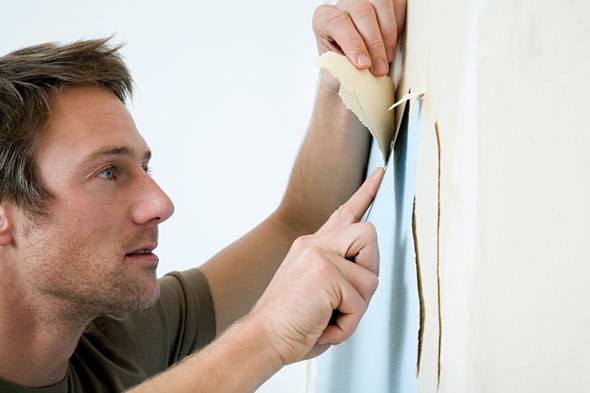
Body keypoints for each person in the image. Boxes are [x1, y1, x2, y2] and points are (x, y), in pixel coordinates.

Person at [0, 0, 406, 391]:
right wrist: (266, 336)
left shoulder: (109, 343)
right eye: (108, 172)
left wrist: (343, 70)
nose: (161, 205)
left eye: (144, 169)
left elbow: (298, 227)